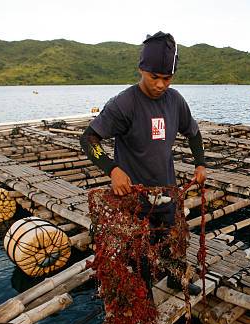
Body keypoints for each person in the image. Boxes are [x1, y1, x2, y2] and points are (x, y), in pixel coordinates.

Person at [80, 31, 206, 296]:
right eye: (154, 77)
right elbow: (88, 138)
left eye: (167, 78)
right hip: (135, 198)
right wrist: (112, 169)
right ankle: (144, 296)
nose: (161, 85)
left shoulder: (175, 101)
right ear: (141, 70)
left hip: (167, 191)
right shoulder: (125, 104)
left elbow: (193, 133)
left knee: (173, 241)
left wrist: (200, 165)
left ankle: (174, 279)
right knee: (140, 255)